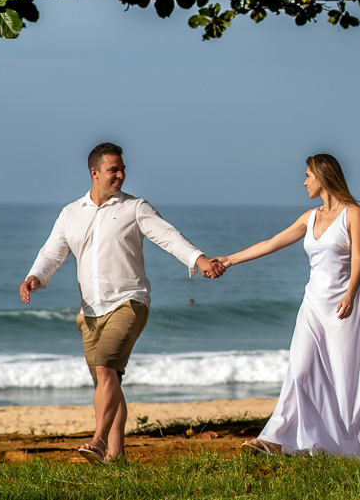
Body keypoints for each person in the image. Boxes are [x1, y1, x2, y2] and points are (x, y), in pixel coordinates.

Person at [19, 142, 224, 463]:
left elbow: (168, 236)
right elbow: (52, 252)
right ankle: (117, 456)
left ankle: (98, 441)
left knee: (105, 371)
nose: (121, 175)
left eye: (123, 169)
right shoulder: (70, 214)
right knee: (108, 379)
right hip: (89, 312)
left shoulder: (135, 208)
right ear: (95, 172)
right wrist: (35, 277)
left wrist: (199, 259)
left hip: (130, 302)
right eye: (114, 169)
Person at [212, 154, 360, 460]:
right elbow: (272, 242)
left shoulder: (353, 213)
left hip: (342, 307)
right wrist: (229, 260)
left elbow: (359, 259)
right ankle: (275, 439)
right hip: (312, 305)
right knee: (300, 369)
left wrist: (351, 293)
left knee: (349, 378)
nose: (304, 181)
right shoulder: (309, 217)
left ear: (324, 177)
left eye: (308, 175)